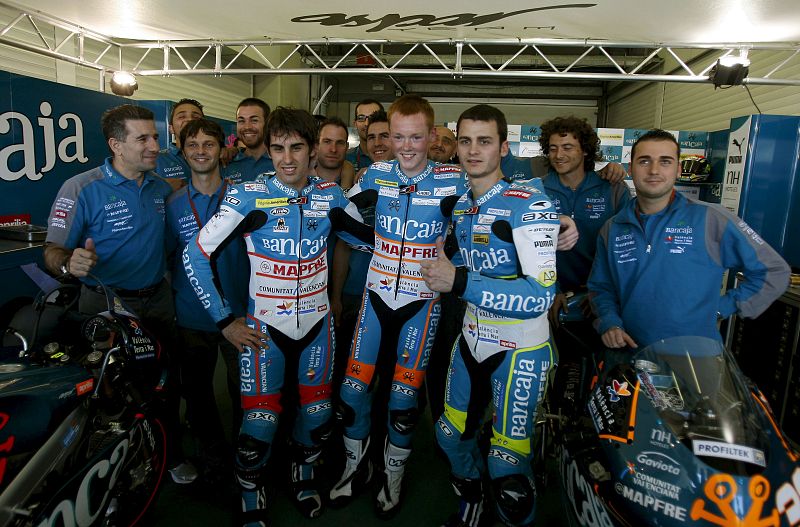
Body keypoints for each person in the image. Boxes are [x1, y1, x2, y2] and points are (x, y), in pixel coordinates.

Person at [183, 107, 372, 526]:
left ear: (312, 151)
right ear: (268, 151)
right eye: (278, 148)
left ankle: (302, 475)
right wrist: (225, 321)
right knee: (261, 422)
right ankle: (251, 491)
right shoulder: (248, 195)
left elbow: (371, 241)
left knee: (318, 416)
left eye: (297, 148)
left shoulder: (331, 196)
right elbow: (194, 255)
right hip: (264, 329)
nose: (287, 158)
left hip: (318, 326)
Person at [421, 104, 559, 527]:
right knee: (448, 435)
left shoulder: (530, 204)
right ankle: (472, 507)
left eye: (484, 141)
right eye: (465, 141)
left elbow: (540, 296)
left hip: (520, 349)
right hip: (471, 340)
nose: (473, 150)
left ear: (503, 147)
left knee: (507, 461)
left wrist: (459, 281)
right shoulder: (462, 205)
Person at [330, 95, 466, 517]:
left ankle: (393, 474)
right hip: (375, 297)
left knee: (404, 402)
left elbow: (494, 213)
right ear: (389, 136)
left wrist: (453, 261)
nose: (407, 146)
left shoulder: (453, 180)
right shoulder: (376, 174)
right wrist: (377, 244)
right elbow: (340, 217)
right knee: (352, 390)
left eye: (416, 137)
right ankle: (356, 468)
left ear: (431, 135)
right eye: (399, 137)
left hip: (421, 305)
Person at [42, 104, 188, 477]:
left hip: (157, 301)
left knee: (166, 381)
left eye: (155, 137)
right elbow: (52, 250)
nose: (154, 146)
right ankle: (114, 469)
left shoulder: (159, 187)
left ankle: (168, 453)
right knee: (110, 390)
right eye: (143, 139)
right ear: (116, 145)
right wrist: (68, 263)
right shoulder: (81, 188)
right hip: (106, 304)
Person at [588, 129, 791, 349]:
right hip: (632, 352)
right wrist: (609, 323)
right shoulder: (613, 228)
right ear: (630, 169)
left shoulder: (711, 219)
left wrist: (721, 308)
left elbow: (774, 271)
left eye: (665, 162)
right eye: (644, 161)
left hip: (695, 355)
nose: (654, 170)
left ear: (678, 170)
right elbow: (601, 288)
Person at [164, 118, 248, 481]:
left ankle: (247, 457)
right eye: (193, 145)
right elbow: (169, 259)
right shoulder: (172, 204)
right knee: (198, 396)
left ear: (222, 149)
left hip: (241, 315)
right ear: (183, 152)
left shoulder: (244, 198)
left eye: (208, 144)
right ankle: (213, 459)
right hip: (191, 317)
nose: (201, 152)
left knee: (245, 393)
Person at [538, 117, 631, 343]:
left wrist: (600, 294)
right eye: (553, 148)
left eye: (567, 147)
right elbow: (532, 250)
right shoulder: (537, 190)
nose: (558, 155)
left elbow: (625, 251)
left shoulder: (613, 189)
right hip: (553, 298)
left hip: (603, 300)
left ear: (586, 151)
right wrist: (551, 290)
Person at [156, 98, 204, 189]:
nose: (190, 120)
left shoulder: (219, 157)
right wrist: (163, 187)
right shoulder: (156, 160)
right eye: (182, 117)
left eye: (196, 117)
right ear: (171, 128)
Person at [224, 98, 275, 184]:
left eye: (254, 120)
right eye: (241, 121)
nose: (247, 127)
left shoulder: (281, 160)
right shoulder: (227, 162)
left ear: (267, 124)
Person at [315, 117, 356, 189]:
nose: (333, 149)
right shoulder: (302, 183)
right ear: (317, 145)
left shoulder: (359, 186)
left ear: (347, 147)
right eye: (327, 142)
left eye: (340, 143)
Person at [346, 98, 384, 171]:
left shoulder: (397, 159)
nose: (366, 123)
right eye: (361, 118)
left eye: (372, 117)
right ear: (355, 124)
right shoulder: (346, 158)